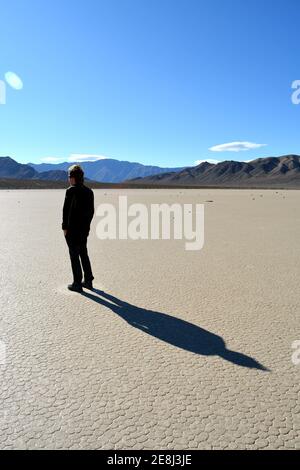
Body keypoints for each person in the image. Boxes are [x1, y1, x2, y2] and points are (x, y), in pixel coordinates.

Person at [62, 164, 94, 292]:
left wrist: (64, 227)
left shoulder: (71, 191)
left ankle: (77, 283)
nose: (69, 179)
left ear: (74, 178)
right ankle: (88, 280)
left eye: (70, 176)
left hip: (72, 230)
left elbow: (66, 211)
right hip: (84, 230)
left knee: (74, 255)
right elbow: (91, 212)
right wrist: (87, 227)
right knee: (83, 253)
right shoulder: (89, 191)